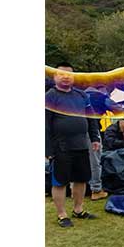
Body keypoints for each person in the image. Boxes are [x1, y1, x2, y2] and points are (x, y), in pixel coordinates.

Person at [45, 62, 102, 228]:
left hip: (81, 145)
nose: (65, 77)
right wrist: (47, 149)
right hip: (60, 147)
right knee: (60, 181)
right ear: (54, 76)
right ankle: (62, 214)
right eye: (61, 74)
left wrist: (95, 138)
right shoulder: (49, 97)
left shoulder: (81, 95)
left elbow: (91, 118)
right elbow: (44, 125)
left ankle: (78, 209)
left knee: (81, 179)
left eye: (69, 74)